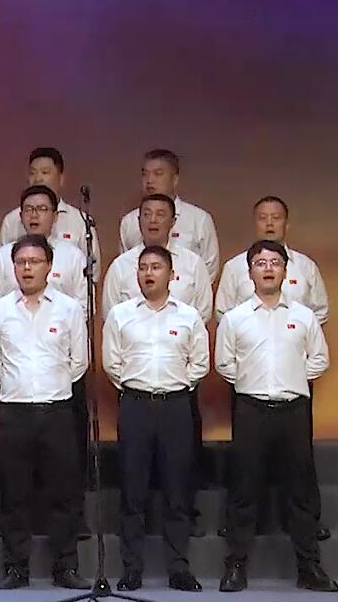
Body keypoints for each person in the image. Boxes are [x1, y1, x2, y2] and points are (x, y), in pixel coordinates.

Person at [215, 241, 338, 593]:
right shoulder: (235, 318)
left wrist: (292, 378)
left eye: (274, 262)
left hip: (293, 410)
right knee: (244, 490)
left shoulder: (304, 316)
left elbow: (320, 359)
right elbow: (224, 363)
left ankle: (309, 567)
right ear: (249, 272)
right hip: (251, 409)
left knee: (300, 490)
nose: (267, 268)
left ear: (285, 270)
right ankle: (236, 566)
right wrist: (252, 383)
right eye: (260, 263)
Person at [0, 235, 91, 591]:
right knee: (14, 494)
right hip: (15, 412)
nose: (27, 268)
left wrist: (51, 387)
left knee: (63, 493)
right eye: (21, 262)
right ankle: (16, 568)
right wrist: (21, 387)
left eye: (34, 262)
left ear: (49, 267)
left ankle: (66, 567)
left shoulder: (69, 309)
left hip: (57, 410)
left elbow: (79, 362)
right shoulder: (0, 310)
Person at [102, 246, 208, 592]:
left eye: (156, 267)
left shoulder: (188, 316)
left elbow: (199, 364)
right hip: (135, 405)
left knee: (177, 490)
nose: (148, 273)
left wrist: (176, 387)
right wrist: (136, 388)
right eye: (143, 267)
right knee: (133, 490)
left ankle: (179, 568)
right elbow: (112, 363)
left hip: (176, 406)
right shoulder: (120, 315)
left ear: (171, 275)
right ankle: (131, 569)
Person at [215, 197, 329, 322]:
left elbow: (320, 311)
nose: (269, 223)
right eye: (263, 218)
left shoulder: (306, 266)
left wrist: (299, 331)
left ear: (287, 224)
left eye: (276, 217)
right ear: (255, 223)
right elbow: (223, 313)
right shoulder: (234, 267)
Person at [104, 195, 213, 321]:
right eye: (147, 214)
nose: (152, 220)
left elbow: (204, 312)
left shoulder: (193, 264)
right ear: (139, 220)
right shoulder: (120, 265)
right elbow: (110, 315)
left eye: (160, 215)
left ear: (173, 221)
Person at [0, 147, 101, 275]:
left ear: (61, 178)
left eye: (45, 172)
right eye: (32, 173)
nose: (38, 179)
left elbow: (92, 274)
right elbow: (2, 266)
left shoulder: (80, 221)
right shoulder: (11, 220)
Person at [117, 149, 220, 279]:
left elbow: (209, 270)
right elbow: (124, 268)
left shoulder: (199, 220)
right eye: (145, 174)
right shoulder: (129, 222)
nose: (149, 180)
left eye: (158, 174)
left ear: (175, 179)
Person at [0, 185, 88, 310]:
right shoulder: (2, 257)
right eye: (28, 209)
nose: (34, 215)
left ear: (55, 216)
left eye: (42, 209)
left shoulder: (73, 256)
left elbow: (84, 306)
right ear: (21, 216)